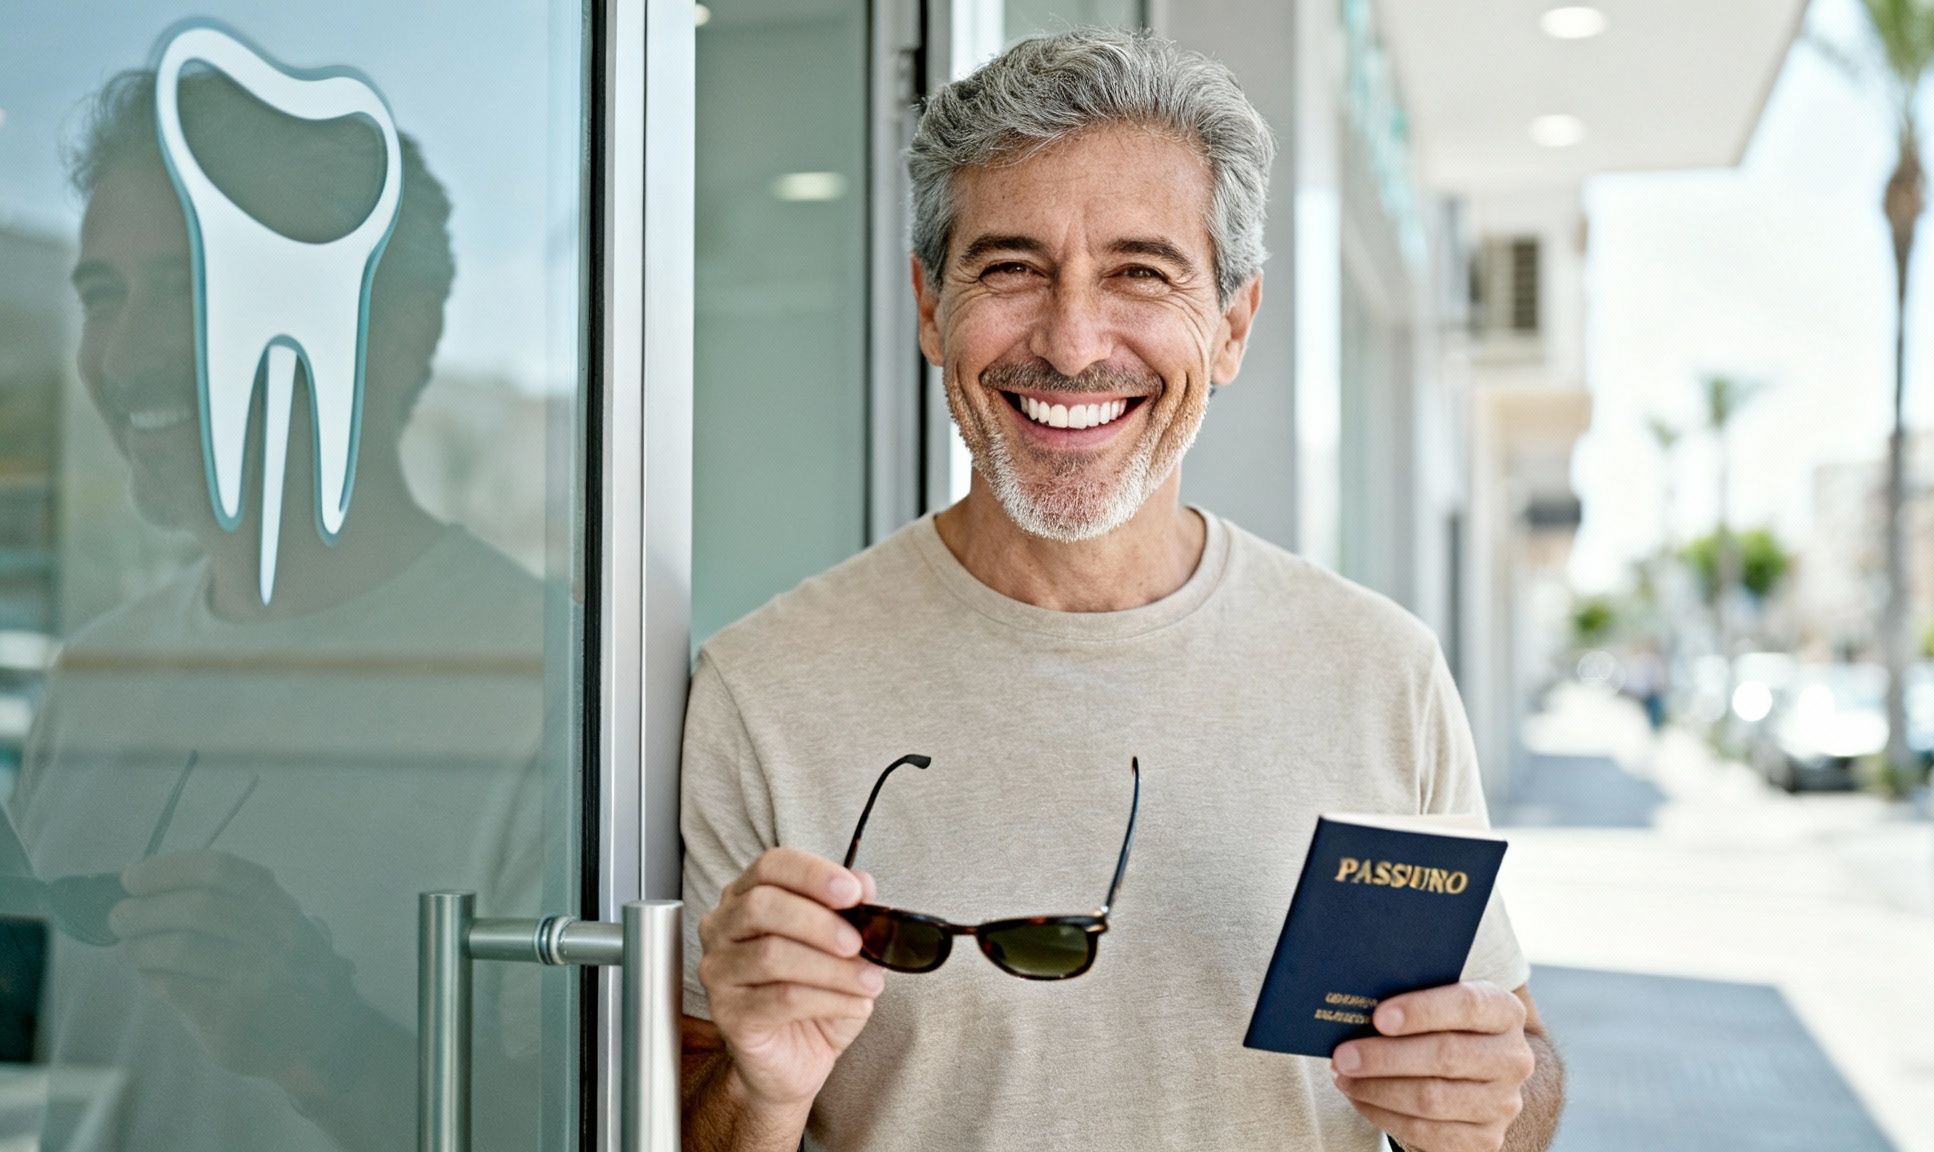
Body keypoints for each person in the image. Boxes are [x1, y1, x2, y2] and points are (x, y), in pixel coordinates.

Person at [679, 28, 1563, 1152]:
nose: (1072, 339)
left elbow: (1513, 1070)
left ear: (1232, 325)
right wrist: (760, 1092)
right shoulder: (766, 688)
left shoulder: (1376, 671)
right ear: (925, 306)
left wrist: (1486, 1107)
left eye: (1140, 273)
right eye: (1009, 269)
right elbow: (688, 1106)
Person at [10, 58, 553, 1149]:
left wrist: (326, 1039)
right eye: (105, 295)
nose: (125, 356)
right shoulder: (95, 674)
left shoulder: (556, 690)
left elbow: (588, 1122)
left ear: (393, 338)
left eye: (196, 288)